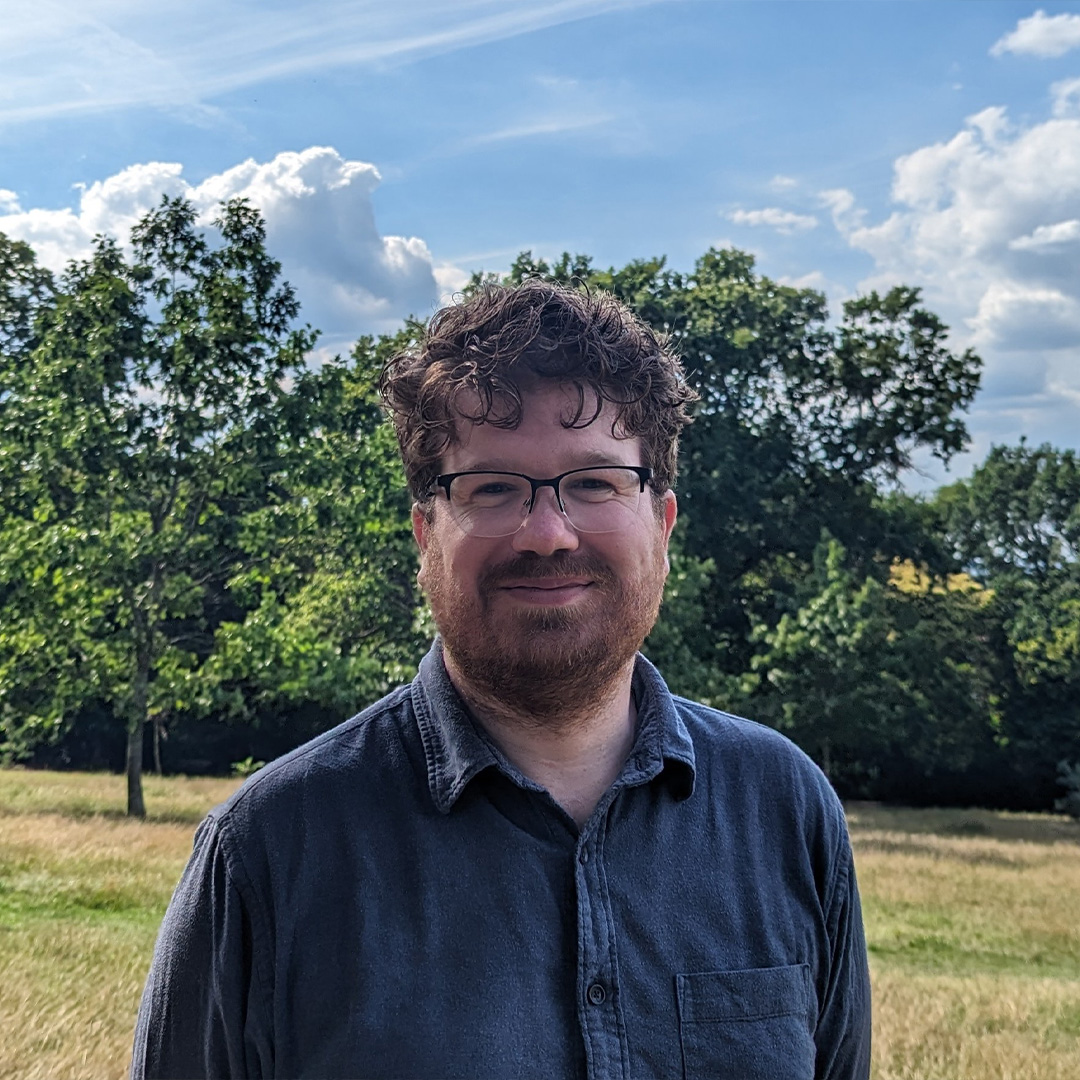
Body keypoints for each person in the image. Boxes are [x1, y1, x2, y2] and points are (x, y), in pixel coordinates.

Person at [131, 280, 871, 1080]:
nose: (548, 534)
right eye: (492, 489)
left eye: (594, 482)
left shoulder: (786, 809)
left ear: (661, 524)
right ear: (426, 534)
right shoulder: (269, 851)